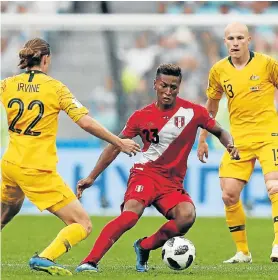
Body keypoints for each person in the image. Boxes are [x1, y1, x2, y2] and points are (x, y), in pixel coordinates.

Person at [75, 63, 240, 273]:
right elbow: (115, 147)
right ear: (155, 85)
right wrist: (91, 177)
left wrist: (230, 145)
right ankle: (89, 261)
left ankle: (144, 247)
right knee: (130, 216)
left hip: (172, 183)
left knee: (186, 216)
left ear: (179, 87)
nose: (168, 91)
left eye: (173, 87)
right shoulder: (140, 116)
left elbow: (220, 131)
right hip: (146, 175)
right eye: (164, 86)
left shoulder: (193, 112)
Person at [0, 38, 141, 276]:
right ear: (46, 59)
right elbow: (85, 122)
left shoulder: (7, 84)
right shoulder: (56, 88)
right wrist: (118, 142)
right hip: (36, 169)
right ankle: (45, 258)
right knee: (82, 224)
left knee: (5, 213)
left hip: (10, 164)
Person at [197, 22, 278, 263]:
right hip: (238, 139)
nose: (235, 42)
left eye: (240, 37)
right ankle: (243, 252)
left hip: (268, 134)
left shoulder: (267, 64)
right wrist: (202, 138)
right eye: (230, 38)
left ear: (248, 40)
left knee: (275, 187)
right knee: (228, 194)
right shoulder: (219, 70)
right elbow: (210, 106)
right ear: (225, 42)